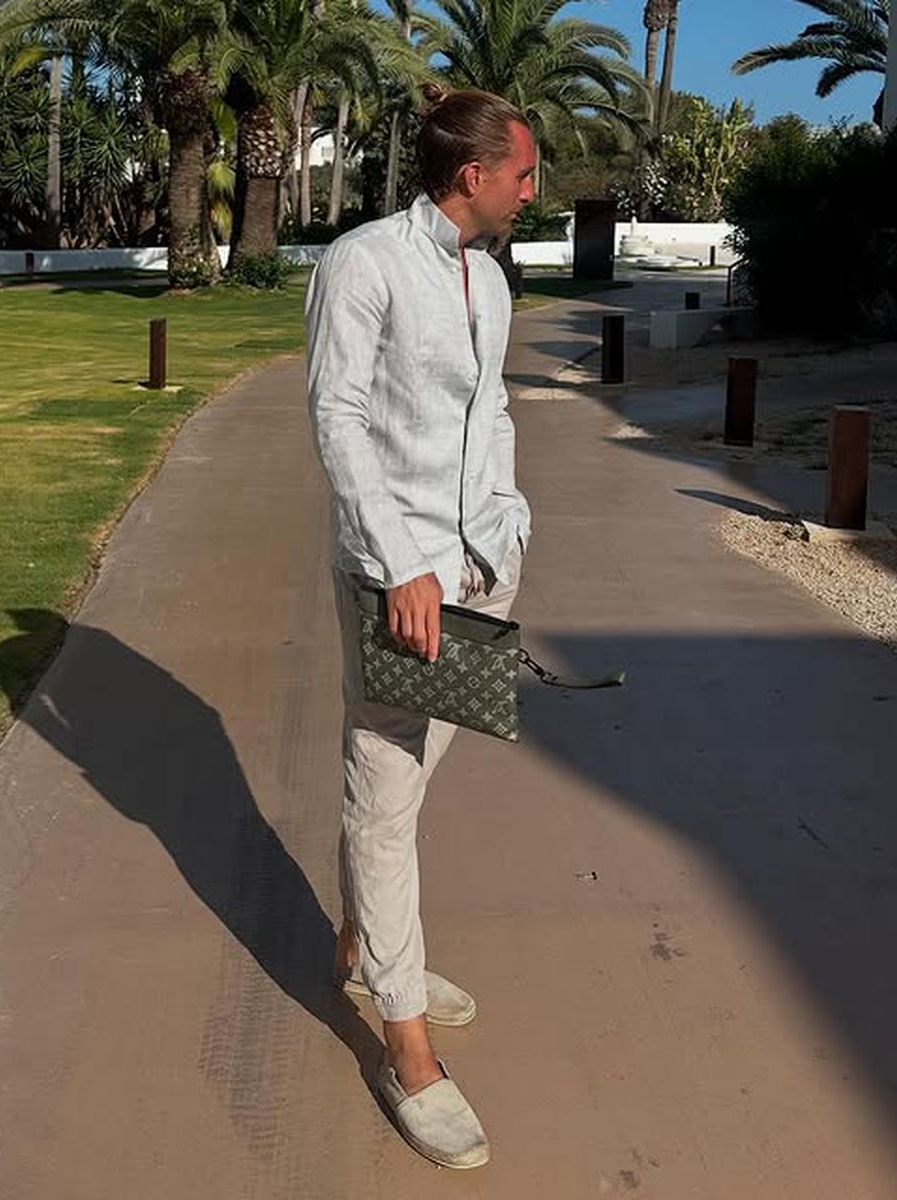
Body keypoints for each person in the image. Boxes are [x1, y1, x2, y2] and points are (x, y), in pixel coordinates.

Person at [304, 85, 536, 1169]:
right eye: (522, 174)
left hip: (478, 572)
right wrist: (404, 563)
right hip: (394, 580)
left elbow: (493, 410)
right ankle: (406, 1049)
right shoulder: (363, 263)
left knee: (405, 785)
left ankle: (365, 948)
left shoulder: (489, 277)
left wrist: (509, 523)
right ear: (472, 174)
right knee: (384, 790)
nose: (531, 191)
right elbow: (338, 416)